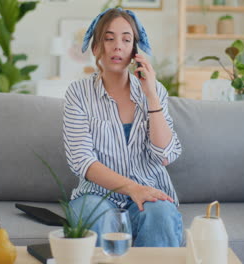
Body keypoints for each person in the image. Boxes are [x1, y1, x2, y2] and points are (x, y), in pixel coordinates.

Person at [63, 7, 182, 247]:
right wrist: (131, 188)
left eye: (126, 39)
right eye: (109, 38)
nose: (118, 46)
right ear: (96, 48)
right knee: (98, 216)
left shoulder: (155, 91)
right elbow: (81, 160)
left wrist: (150, 95)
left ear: (134, 51)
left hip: (150, 195)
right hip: (95, 195)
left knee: (161, 215)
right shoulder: (78, 93)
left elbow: (166, 155)